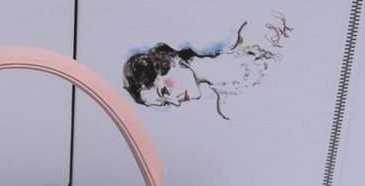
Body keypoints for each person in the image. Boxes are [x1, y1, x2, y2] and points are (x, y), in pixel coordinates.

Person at [123, 20, 287, 119]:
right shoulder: (230, 109)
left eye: (165, 92)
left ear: (173, 62)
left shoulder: (256, 31)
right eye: (165, 103)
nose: (176, 103)